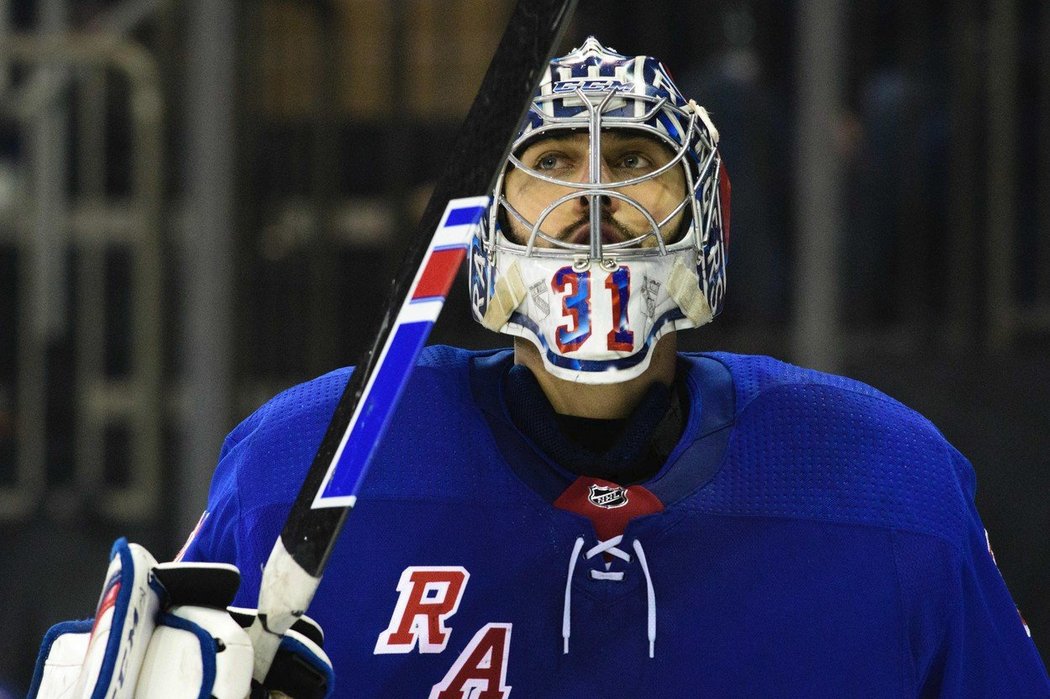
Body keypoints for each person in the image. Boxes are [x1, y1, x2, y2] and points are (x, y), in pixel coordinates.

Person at [33, 38, 1049, 698]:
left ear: (705, 216)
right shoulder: (303, 463)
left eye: (636, 165)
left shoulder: (888, 486)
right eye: (553, 164)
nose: (596, 194)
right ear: (485, 233)